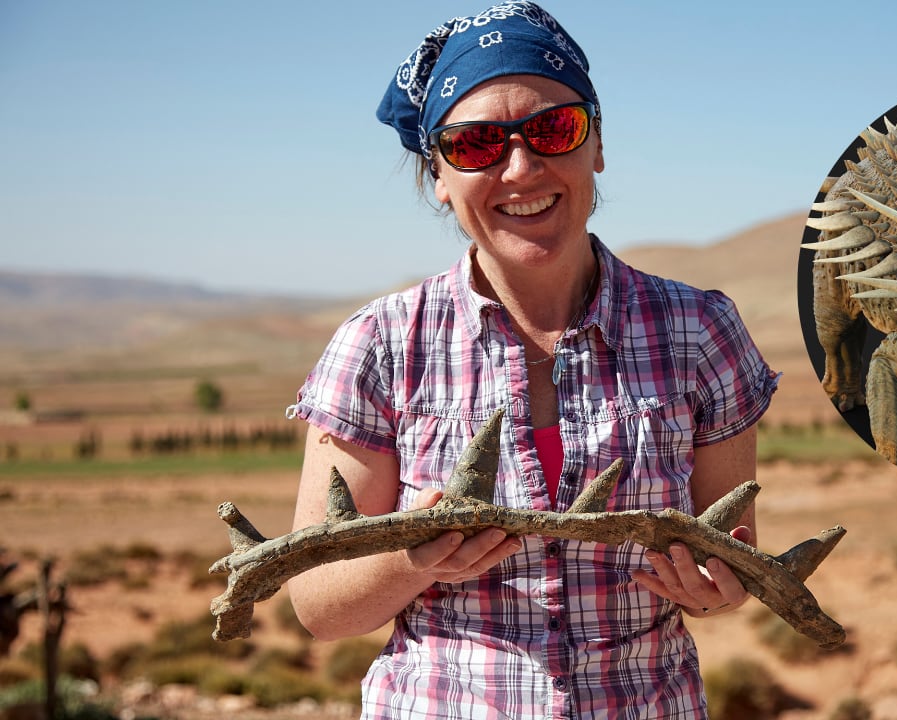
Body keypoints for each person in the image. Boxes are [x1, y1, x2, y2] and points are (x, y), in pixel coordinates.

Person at [285, 2, 778, 717]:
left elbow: (728, 566)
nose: (521, 168)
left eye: (554, 129)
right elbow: (319, 606)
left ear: (597, 143)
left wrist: (718, 590)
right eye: (475, 145)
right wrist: (411, 561)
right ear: (438, 175)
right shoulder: (379, 345)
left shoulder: (700, 330)